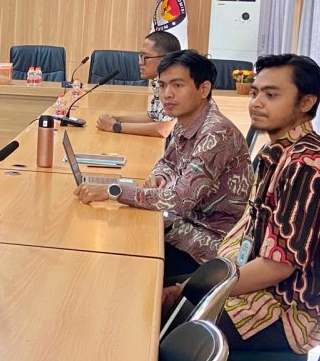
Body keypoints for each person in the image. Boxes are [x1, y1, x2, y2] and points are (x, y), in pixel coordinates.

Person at [166, 55, 320, 361]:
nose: (257, 102)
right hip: (255, 291)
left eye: (271, 95)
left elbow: (276, 267)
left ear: (306, 102)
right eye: (255, 92)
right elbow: (248, 242)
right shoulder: (279, 153)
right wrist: (192, 288)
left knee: (157, 324)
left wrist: (189, 290)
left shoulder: (306, 167)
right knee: (157, 303)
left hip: (281, 313)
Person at [76, 50, 252, 281]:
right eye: (162, 85)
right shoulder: (186, 120)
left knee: (117, 260)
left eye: (177, 85)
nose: (166, 94)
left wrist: (113, 191)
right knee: (115, 235)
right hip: (181, 224)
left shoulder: (216, 134)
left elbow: (179, 200)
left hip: (205, 245)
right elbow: (166, 162)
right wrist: (161, 177)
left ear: (203, 89)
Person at [96, 31, 180, 138]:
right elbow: (154, 116)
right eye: (140, 57)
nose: (140, 62)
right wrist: (117, 119)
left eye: (145, 57)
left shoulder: (176, 84)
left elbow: (163, 129)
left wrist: (115, 126)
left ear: (165, 59)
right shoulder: (160, 81)